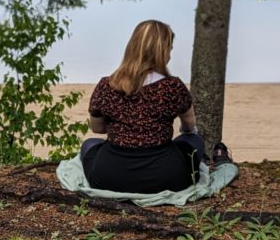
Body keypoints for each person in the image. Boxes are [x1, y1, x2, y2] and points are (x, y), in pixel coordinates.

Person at [79, 19, 230, 193]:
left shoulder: (106, 85)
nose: (170, 56)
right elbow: (189, 127)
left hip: (110, 178)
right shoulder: (173, 87)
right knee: (194, 140)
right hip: (166, 179)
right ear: (162, 51)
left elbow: (97, 129)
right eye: (169, 49)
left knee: (90, 144)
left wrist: (126, 127)